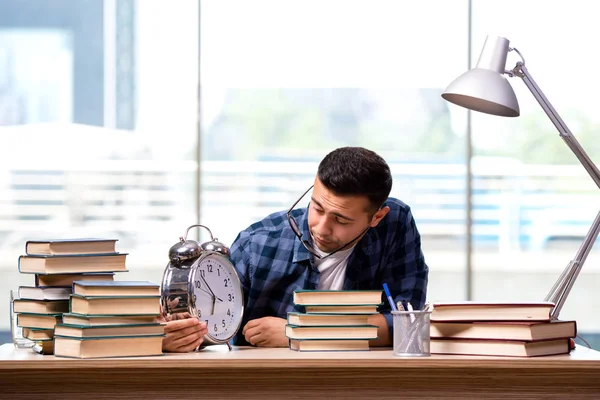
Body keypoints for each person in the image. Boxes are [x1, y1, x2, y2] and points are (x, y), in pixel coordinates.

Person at [160, 146, 429, 352]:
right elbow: (214, 324)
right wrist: (175, 336)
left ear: (376, 217)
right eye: (318, 207)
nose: (321, 227)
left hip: (360, 383)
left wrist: (298, 333)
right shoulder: (259, 242)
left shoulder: (395, 223)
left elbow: (407, 325)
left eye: (341, 219)